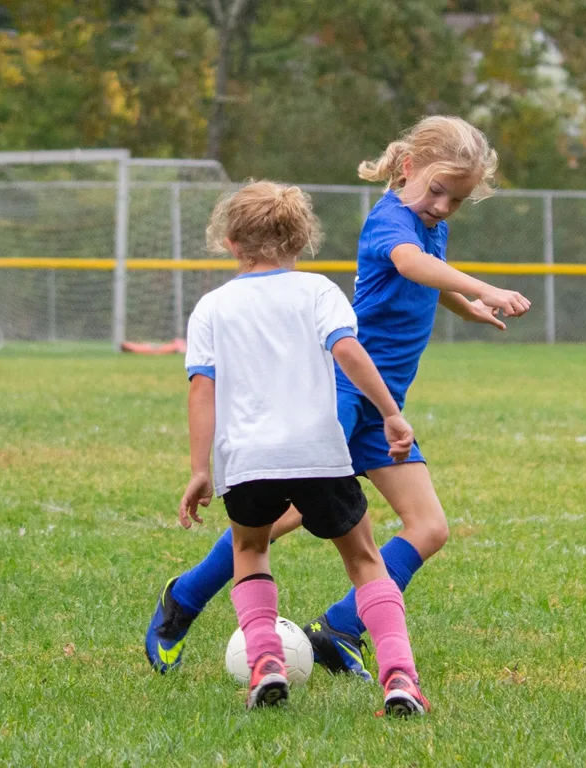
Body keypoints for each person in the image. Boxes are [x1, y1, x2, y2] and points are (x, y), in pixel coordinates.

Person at [147, 115, 531, 681]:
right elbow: (407, 263)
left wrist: (460, 303)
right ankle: (184, 599)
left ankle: (339, 629)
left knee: (428, 527)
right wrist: (483, 287)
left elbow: (428, 274)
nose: (445, 207)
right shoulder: (389, 219)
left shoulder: (430, 222)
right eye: (438, 191)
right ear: (409, 169)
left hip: (382, 406)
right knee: (281, 517)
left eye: (458, 199)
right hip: (343, 395)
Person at [174, 180, 429, 714]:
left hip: (247, 464)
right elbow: (349, 353)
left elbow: (203, 390)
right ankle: (400, 676)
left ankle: (265, 663)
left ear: (230, 242)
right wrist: (390, 413)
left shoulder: (212, 307)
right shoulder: (317, 291)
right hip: (319, 455)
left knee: (251, 550)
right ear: (301, 240)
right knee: (363, 560)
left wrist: (200, 469)